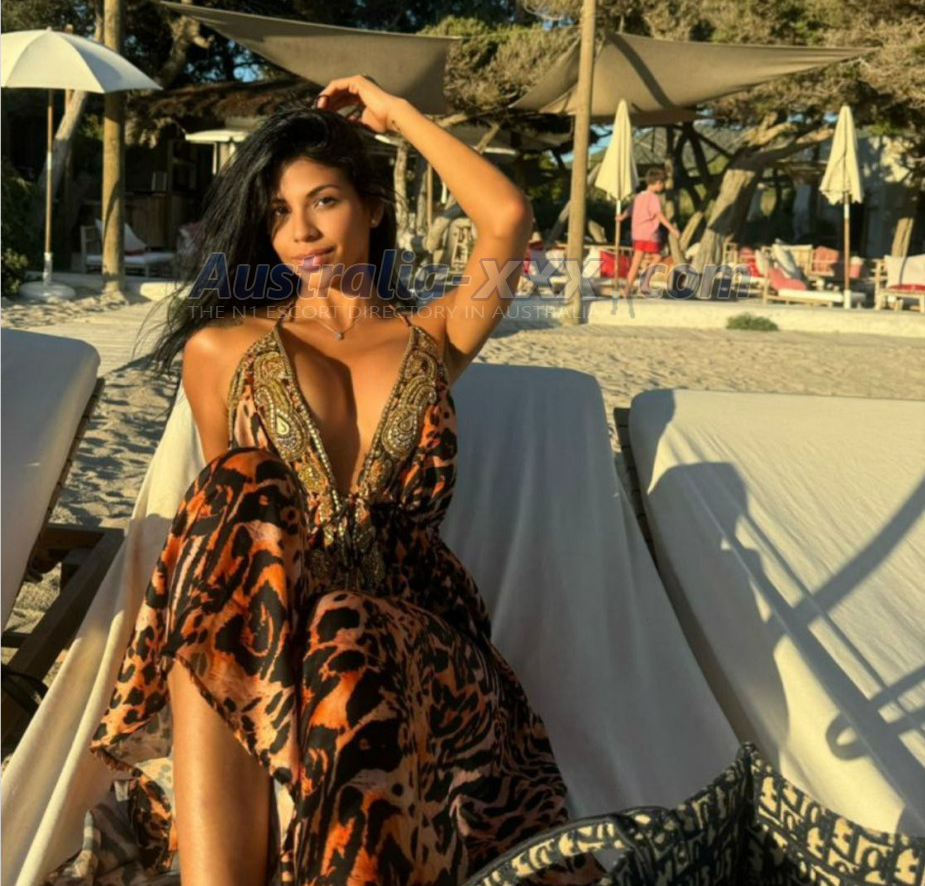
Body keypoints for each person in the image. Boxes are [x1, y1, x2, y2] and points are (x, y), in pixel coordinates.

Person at [44, 78, 604, 886]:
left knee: (341, 623)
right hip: (276, 627)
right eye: (278, 211)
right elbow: (222, 543)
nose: (300, 232)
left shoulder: (437, 334)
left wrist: (398, 116)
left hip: (422, 642)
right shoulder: (221, 348)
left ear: (373, 207)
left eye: (325, 201)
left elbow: (508, 218)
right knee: (238, 499)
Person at [617, 169, 679, 297]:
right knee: (657, 257)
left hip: (637, 234)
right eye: (662, 184)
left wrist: (622, 216)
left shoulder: (639, 196)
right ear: (658, 182)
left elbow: (630, 209)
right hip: (649, 234)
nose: (663, 187)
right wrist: (671, 229)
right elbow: (658, 214)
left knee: (636, 262)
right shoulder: (653, 198)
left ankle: (627, 290)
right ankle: (643, 285)